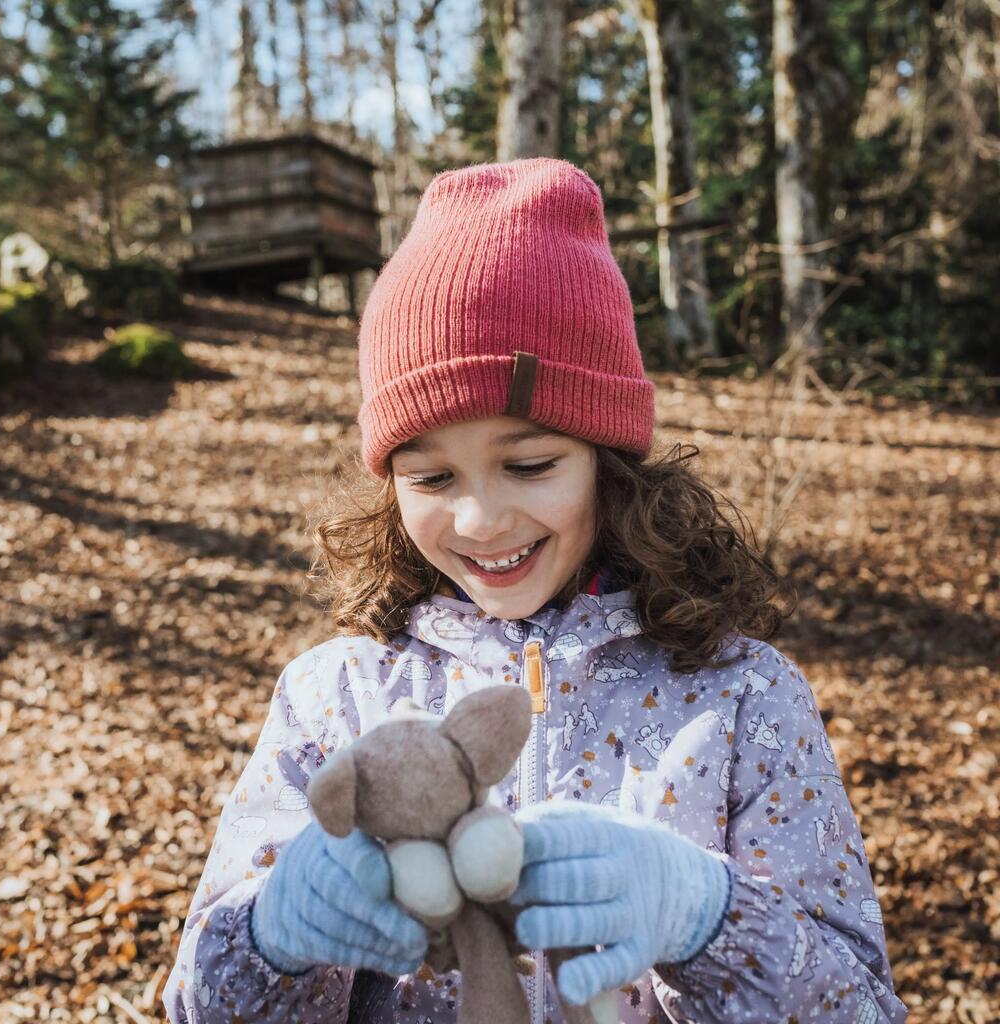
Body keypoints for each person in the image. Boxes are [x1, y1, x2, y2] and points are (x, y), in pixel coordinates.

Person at [162, 158, 907, 1024]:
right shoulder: (337, 700)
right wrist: (273, 940)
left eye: (529, 464)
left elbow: (859, 1007)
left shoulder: (743, 697)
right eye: (431, 476)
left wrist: (710, 917)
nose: (479, 519)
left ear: (607, 458)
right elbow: (201, 1004)